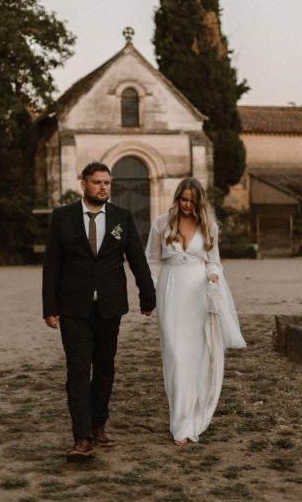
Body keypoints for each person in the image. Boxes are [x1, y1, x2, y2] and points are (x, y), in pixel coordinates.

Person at [43, 161, 156, 462]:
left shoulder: (122, 217)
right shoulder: (62, 217)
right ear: (84, 184)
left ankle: (98, 423)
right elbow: (51, 265)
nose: (103, 187)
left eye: (107, 183)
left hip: (109, 307)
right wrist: (49, 306)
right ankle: (81, 439)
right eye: (97, 182)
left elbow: (137, 259)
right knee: (78, 370)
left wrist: (148, 295)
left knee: (105, 367)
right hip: (73, 308)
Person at [145, 177, 246, 445]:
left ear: (199, 202)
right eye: (183, 199)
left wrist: (213, 276)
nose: (187, 205)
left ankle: (193, 418)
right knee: (176, 356)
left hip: (199, 293)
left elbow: (214, 262)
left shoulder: (208, 226)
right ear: (177, 198)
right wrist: (153, 293)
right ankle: (179, 422)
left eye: (192, 200)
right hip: (171, 292)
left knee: (197, 358)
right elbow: (152, 262)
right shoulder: (161, 224)